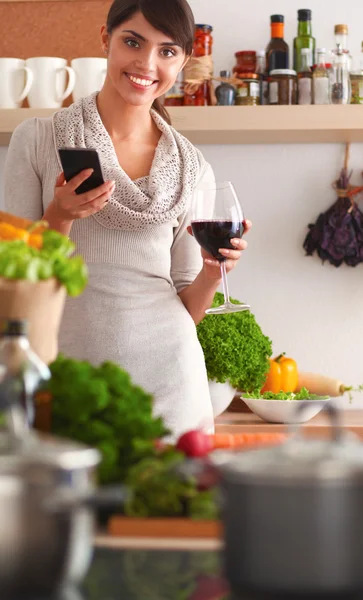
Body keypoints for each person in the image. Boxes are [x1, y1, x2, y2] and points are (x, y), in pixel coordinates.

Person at [3, 0, 250, 438]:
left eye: (167, 51)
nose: (147, 63)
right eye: (132, 42)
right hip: (70, 383)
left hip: (172, 388)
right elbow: (13, 279)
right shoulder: (38, 139)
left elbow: (188, 304)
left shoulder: (192, 169)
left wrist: (214, 273)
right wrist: (59, 217)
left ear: (183, 62)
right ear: (106, 40)